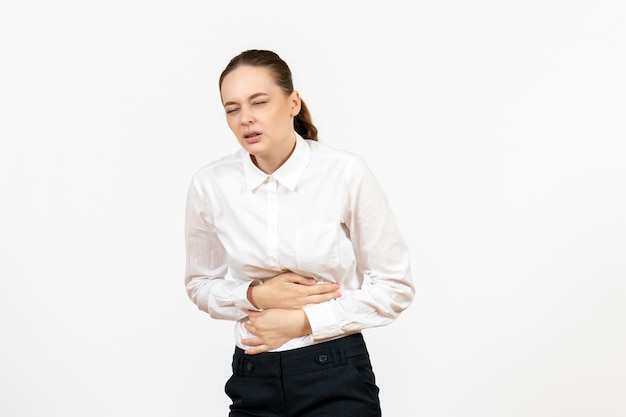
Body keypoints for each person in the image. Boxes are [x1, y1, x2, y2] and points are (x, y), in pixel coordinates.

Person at [184, 49, 415, 417]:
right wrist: (256, 295)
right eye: (232, 108)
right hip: (251, 376)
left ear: (293, 102)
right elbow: (200, 285)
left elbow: (394, 287)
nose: (246, 119)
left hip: (335, 373)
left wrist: (305, 320)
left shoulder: (344, 173)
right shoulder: (210, 185)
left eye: (259, 102)